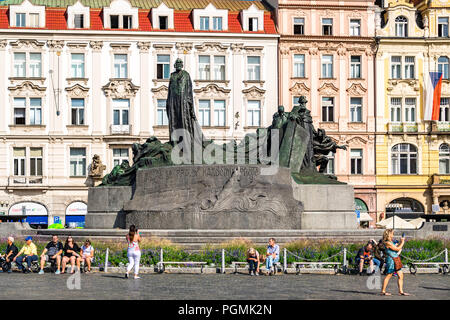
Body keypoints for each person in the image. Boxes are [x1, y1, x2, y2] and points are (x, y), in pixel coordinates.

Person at [380, 229, 410, 296]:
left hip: (396, 259)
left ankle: (401, 291)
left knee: (400, 275)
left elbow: (396, 248)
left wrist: (400, 242)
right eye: (392, 233)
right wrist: (402, 242)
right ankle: (383, 291)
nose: (393, 235)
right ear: (389, 234)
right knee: (389, 275)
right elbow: (397, 249)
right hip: (391, 260)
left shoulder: (391, 242)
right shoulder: (387, 242)